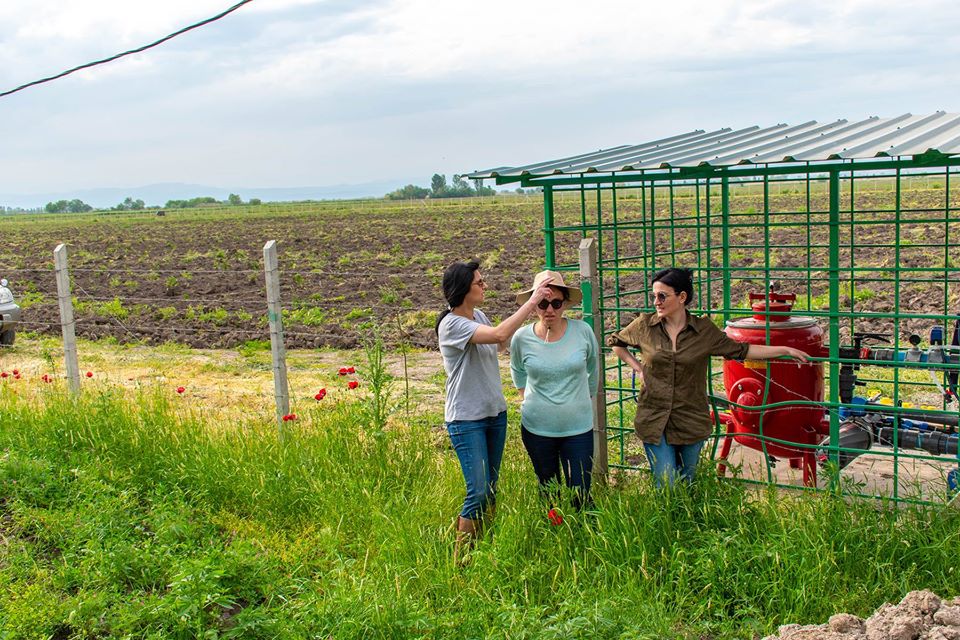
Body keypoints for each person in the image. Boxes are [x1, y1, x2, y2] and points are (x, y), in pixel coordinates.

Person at [608, 267, 809, 488]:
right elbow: (616, 342)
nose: (656, 301)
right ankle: (666, 519)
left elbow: (741, 350)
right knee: (666, 483)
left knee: (688, 482)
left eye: (662, 296)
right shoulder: (645, 325)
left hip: (690, 419)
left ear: (682, 297)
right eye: (654, 296)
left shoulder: (703, 331)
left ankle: (686, 522)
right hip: (654, 418)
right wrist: (638, 368)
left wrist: (784, 350)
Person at [436, 260, 553, 563]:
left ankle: (485, 551)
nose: (485, 285)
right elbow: (500, 335)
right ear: (463, 288)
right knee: (477, 490)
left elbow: (503, 344)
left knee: (490, 488)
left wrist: (542, 329)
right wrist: (531, 302)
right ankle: (461, 560)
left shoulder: (479, 316)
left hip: (493, 414)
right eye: (479, 282)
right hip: (466, 418)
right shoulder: (451, 324)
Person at [510, 270, 600, 512]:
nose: (549, 310)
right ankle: (554, 534)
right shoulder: (521, 338)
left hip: (578, 427)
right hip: (537, 428)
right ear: (534, 304)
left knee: (580, 490)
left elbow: (593, 368)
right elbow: (517, 370)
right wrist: (525, 396)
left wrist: (583, 399)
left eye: (556, 303)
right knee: (548, 490)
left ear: (565, 304)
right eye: (542, 303)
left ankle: (583, 537)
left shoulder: (583, 332)